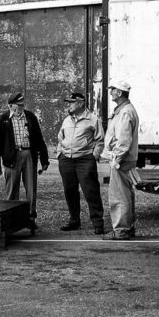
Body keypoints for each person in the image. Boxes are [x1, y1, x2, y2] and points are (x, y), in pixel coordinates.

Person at [0, 92, 49, 234]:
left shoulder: (30, 117)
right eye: (19, 105)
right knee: (11, 190)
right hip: (11, 157)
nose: (21, 107)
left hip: (28, 154)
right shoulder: (4, 119)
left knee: (31, 189)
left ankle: (30, 218)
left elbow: (39, 139)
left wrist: (44, 159)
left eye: (23, 105)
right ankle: (10, 219)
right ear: (10, 106)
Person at [56, 92, 106, 235]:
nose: (68, 105)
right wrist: (60, 154)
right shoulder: (67, 120)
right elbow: (60, 137)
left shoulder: (92, 119)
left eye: (71, 102)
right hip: (66, 160)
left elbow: (100, 140)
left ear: (81, 103)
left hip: (85, 160)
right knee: (70, 191)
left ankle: (98, 223)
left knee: (91, 191)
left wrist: (93, 157)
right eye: (68, 102)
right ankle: (74, 221)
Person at [99, 79, 139, 240]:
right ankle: (127, 227)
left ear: (120, 93)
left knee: (119, 196)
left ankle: (121, 229)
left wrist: (116, 159)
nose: (111, 92)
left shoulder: (124, 112)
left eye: (113, 90)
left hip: (121, 160)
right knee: (126, 194)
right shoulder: (125, 110)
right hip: (124, 159)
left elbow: (123, 140)